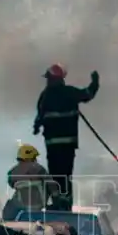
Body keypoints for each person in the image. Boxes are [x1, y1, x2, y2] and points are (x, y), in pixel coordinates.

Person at [32, 64, 100, 210]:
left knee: (55, 175)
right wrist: (95, 82)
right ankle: (65, 203)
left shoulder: (45, 96)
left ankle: (58, 203)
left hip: (53, 144)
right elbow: (88, 94)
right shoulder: (70, 93)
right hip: (68, 144)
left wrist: (36, 127)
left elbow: (40, 116)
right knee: (65, 175)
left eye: (49, 78)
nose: (48, 81)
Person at [3, 143, 59, 221]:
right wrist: (56, 200)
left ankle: (8, 223)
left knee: (8, 210)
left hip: (21, 205)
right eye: (34, 157)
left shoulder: (12, 172)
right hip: (39, 205)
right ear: (31, 157)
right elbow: (52, 186)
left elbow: (11, 184)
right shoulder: (40, 169)